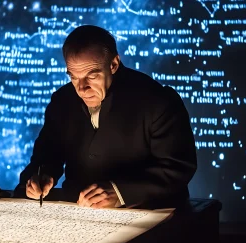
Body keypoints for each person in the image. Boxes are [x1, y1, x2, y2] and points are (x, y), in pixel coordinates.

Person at [13, 25, 197, 208]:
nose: (81, 88)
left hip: (149, 216)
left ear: (114, 64)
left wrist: (120, 192)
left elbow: (178, 168)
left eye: (92, 76)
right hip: (77, 214)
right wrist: (40, 177)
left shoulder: (158, 101)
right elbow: (47, 155)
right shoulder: (62, 100)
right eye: (74, 77)